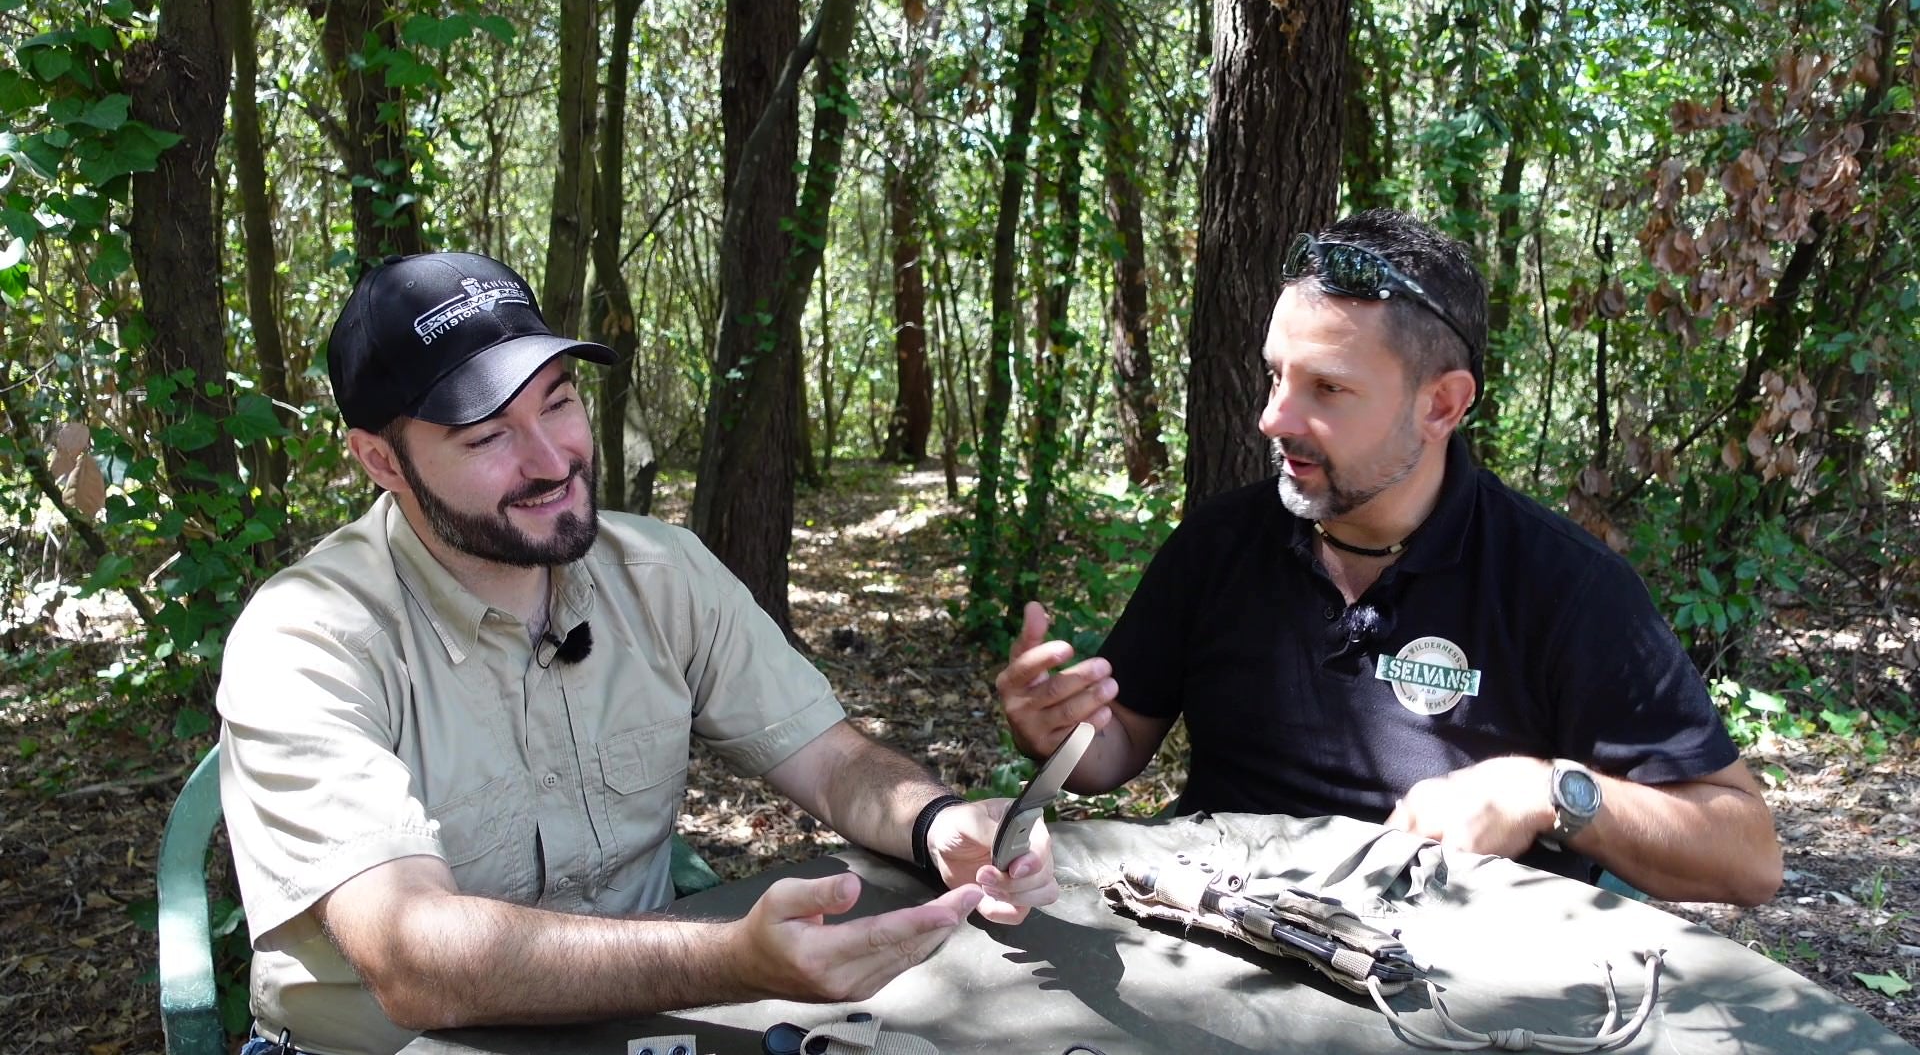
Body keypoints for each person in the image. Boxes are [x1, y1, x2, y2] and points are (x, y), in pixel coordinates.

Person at [218, 252, 1058, 1055]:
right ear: (380, 461)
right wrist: (729, 961)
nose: (553, 460)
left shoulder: (661, 575)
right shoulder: (309, 638)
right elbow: (412, 959)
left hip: (639, 1031)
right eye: (486, 436)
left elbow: (832, 762)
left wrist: (938, 823)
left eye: (558, 401)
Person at [996, 209, 1782, 907]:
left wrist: (1546, 792)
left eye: (1327, 390)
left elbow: (1746, 857)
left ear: (1441, 405)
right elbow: (1120, 744)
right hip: (1216, 933)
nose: (1274, 418)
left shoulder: (1563, 586)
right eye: (1275, 376)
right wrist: (1064, 731)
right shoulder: (1221, 543)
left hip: (1450, 989)